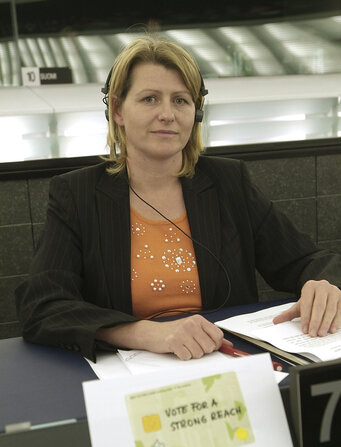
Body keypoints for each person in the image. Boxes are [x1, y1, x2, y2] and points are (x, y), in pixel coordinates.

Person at [15, 36, 341, 363]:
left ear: (196, 114)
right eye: (150, 99)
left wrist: (324, 283)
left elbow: (306, 260)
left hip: (224, 361)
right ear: (117, 110)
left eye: (181, 101)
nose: (167, 114)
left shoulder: (229, 183)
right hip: (132, 370)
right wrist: (144, 333)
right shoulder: (78, 195)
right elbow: (42, 306)